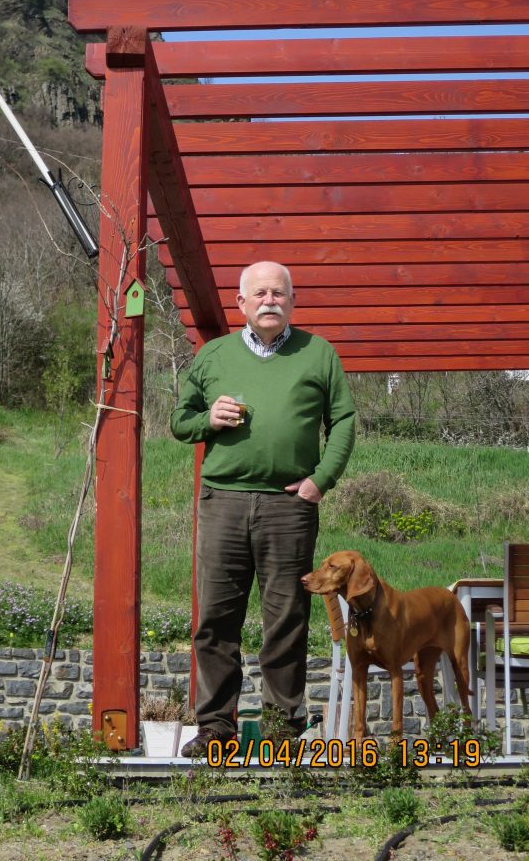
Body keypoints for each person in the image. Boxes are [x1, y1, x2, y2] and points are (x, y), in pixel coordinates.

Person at [171, 260, 356, 757]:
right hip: (222, 502)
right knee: (216, 618)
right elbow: (179, 420)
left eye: (279, 293)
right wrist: (207, 418)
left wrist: (321, 481)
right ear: (242, 304)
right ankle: (215, 731)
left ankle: (281, 732)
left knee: (287, 618)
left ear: (292, 302)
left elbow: (343, 421)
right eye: (260, 293)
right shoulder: (213, 356)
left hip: (288, 506)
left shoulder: (318, 354)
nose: (270, 300)